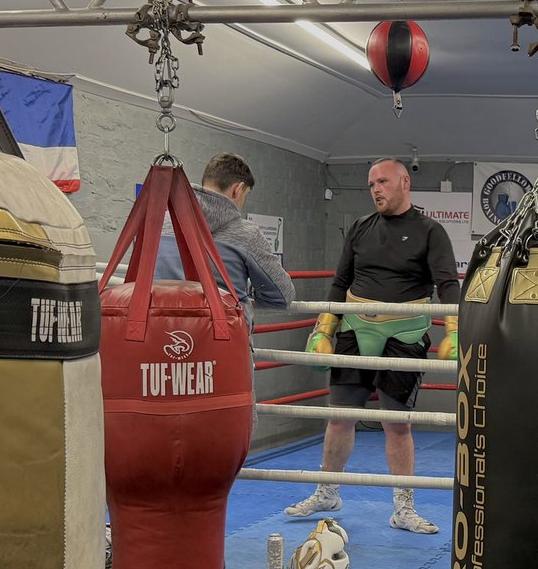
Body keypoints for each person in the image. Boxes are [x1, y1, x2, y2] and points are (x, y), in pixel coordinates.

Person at [285, 157, 459, 534]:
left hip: (405, 335)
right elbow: (340, 279)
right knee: (339, 416)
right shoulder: (361, 228)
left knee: (397, 424)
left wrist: (455, 330)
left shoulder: (430, 231)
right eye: (370, 185)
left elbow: (447, 284)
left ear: (404, 183)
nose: (376, 190)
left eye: (382, 182)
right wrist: (324, 329)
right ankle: (327, 491)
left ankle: (403, 507)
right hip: (354, 327)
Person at [153, 152, 295, 320]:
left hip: (162, 337)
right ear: (238, 189)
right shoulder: (247, 235)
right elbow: (282, 296)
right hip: (219, 340)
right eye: (245, 195)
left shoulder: (160, 223)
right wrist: (245, 293)